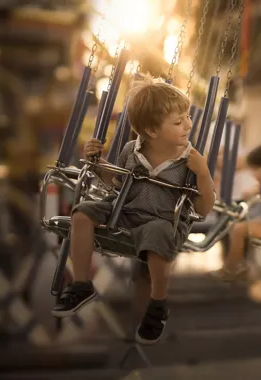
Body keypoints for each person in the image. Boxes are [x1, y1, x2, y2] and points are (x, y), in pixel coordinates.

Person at [51, 74, 216, 345]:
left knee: (158, 234)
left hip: (161, 219)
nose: (188, 124)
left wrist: (203, 173)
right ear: (151, 131)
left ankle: (158, 303)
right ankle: (81, 284)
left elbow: (204, 207)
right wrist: (96, 161)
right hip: (124, 211)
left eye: (187, 117)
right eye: (178, 121)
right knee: (81, 212)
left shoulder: (191, 160)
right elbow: (117, 184)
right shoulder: (131, 149)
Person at [209, 143, 261, 282]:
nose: (252, 174)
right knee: (236, 224)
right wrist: (257, 192)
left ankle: (230, 267)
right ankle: (240, 264)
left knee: (239, 228)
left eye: (254, 170)